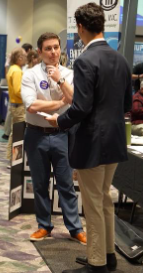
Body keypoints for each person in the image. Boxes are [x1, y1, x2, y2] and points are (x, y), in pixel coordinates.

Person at [45, 3, 133, 272]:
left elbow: (81, 107)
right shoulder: (120, 59)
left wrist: (59, 120)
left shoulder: (85, 60)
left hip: (93, 142)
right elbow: (127, 104)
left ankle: (97, 262)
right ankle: (108, 255)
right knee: (104, 199)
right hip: (115, 140)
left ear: (80, 28)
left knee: (94, 204)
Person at [21, 32, 86, 245]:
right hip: (36, 135)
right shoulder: (29, 74)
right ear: (39, 52)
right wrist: (59, 104)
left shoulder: (69, 73)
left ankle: (75, 228)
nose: (53, 52)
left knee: (66, 184)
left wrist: (60, 80)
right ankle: (44, 226)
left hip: (62, 135)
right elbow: (31, 105)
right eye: (48, 48)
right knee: (40, 184)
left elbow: (76, 100)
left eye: (56, 47)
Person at [4, 48, 26, 161]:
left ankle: (12, 159)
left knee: (14, 133)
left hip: (14, 105)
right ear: (19, 58)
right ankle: (16, 160)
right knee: (19, 134)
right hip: (19, 106)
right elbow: (18, 90)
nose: (26, 58)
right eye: (24, 56)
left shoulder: (12, 69)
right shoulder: (17, 71)